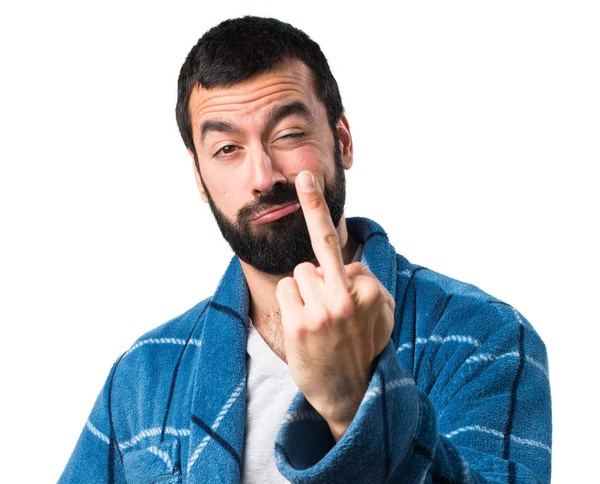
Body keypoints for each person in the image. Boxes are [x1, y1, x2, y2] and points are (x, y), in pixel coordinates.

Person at [59, 16, 552, 483]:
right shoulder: (144, 374)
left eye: (289, 135)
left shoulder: (482, 337)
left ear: (343, 140)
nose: (263, 177)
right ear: (200, 177)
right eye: (227, 149)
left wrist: (353, 402)